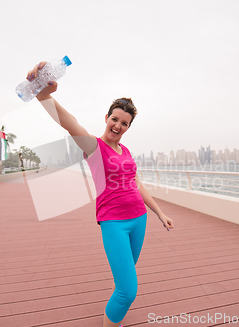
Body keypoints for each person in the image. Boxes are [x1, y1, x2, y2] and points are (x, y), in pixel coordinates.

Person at [27, 62, 174, 327]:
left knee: (123, 283)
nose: (118, 126)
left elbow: (137, 185)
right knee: (128, 291)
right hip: (114, 223)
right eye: (115, 119)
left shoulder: (126, 152)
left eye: (125, 123)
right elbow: (70, 123)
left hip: (139, 219)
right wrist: (43, 95)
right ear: (106, 118)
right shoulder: (94, 147)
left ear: (129, 127)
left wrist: (160, 213)